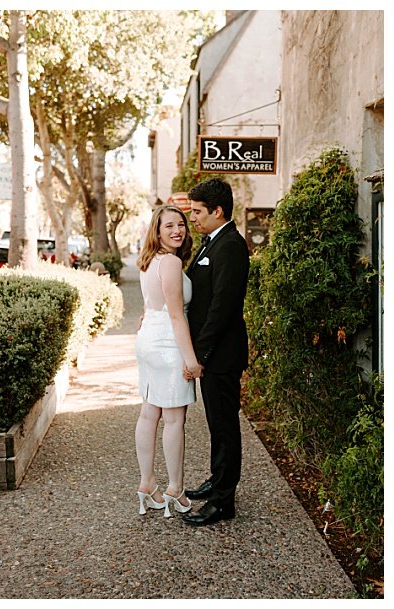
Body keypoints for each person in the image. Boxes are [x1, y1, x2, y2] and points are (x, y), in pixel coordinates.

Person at [182, 178, 250, 526]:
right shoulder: (212, 243)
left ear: (217, 210)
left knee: (225, 427)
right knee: (216, 424)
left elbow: (223, 307)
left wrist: (201, 356)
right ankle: (217, 480)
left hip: (221, 356)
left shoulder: (232, 247)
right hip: (214, 354)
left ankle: (224, 501)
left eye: (197, 211)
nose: (193, 217)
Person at [133, 205, 198, 518]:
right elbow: (175, 314)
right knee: (174, 419)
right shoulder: (170, 262)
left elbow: (152, 305)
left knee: (149, 413)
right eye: (169, 226)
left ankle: (147, 483)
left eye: (181, 224)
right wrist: (191, 360)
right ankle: (175, 488)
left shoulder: (148, 260)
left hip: (147, 339)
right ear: (156, 231)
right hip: (167, 344)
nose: (177, 230)